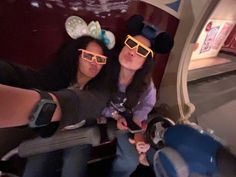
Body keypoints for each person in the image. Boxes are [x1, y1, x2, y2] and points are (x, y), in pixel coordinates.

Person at [0, 35, 110, 177]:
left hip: (79, 134)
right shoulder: (53, 78)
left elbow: (96, 105)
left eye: (100, 59)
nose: (95, 63)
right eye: (89, 56)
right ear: (77, 56)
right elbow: (23, 76)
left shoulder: (98, 90)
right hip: (50, 133)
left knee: (73, 171)